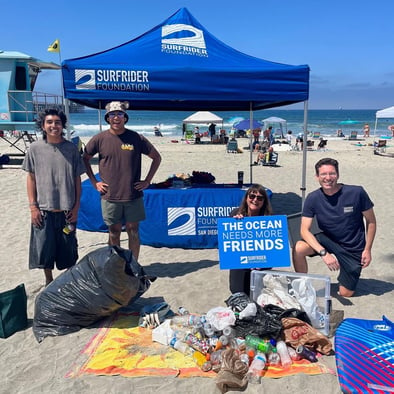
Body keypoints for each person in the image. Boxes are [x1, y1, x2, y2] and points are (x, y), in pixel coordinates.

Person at [83, 101, 162, 261]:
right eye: (112, 114)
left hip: (133, 194)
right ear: (108, 118)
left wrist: (147, 181)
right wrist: (94, 182)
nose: (116, 117)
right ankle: (116, 265)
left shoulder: (136, 138)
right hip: (110, 195)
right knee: (114, 231)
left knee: (133, 230)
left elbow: (156, 158)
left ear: (125, 118)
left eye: (120, 114)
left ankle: (133, 265)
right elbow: (85, 158)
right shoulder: (99, 139)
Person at [292, 158, 376, 297]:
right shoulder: (313, 198)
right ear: (317, 177)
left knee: (345, 293)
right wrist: (324, 253)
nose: (328, 178)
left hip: (352, 247)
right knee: (298, 248)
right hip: (327, 240)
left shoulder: (356, 192)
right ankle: (303, 285)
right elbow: (304, 230)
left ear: (338, 175)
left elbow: (371, 221)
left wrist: (367, 250)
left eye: (332, 174)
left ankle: (347, 274)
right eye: (323, 174)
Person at [22, 108, 85, 286]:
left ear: (63, 125)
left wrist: (76, 207)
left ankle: (67, 282)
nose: (53, 126)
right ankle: (48, 280)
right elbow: (31, 178)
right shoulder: (34, 149)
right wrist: (33, 207)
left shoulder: (71, 149)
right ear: (43, 126)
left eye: (57, 122)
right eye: (49, 122)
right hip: (44, 210)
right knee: (44, 249)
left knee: (69, 249)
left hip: (67, 211)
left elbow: (77, 180)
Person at [229, 184, 273, 296]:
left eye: (259, 198)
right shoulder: (235, 214)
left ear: (264, 202)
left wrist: (263, 262)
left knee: (258, 294)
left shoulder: (268, 219)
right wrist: (235, 223)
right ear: (246, 198)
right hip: (240, 263)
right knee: (237, 291)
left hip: (261, 263)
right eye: (252, 196)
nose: (255, 200)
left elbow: (273, 248)